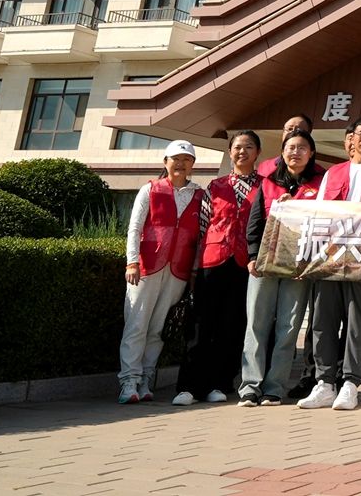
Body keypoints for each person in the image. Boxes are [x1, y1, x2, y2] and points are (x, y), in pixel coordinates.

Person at [299, 117, 361, 411]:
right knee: (323, 319)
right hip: (330, 257)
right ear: (351, 138)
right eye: (360, 133)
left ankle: (350, 383)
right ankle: (324, 383)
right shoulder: (333, 173)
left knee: (358, 321)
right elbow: (318, 213)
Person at [174, 130, 262, 406]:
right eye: (237, 147)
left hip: (245, 263)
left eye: (248, 147)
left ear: (258, 153)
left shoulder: (266, 186)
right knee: (201, 324)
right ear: (230, 152)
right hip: (212, 260)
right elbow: (202, 227)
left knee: (232, 325)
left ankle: (219, 382)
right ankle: (188, 386)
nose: (242, 152)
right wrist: (194, 268)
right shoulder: (215, 186)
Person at [239, 131, 324, 406]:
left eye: (302, 148)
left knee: (288, 327)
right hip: (265, 263)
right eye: (290, 147)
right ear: (282, 152)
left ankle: (275, 387)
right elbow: (254, 224)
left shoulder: (321, 184)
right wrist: (253, 256)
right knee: (257, 324)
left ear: (311, 154)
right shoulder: (268, 182)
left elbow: (325, 224)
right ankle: (250, 386)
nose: (295, 152)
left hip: (299, 266)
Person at [119, 140, 208, 405]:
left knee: (157, 328)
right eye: (175, 158)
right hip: (147, 267)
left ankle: (146, 379)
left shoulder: (200, 195)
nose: (180, 163)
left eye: (186, 159)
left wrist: (194, 271)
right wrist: (132, 262)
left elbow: (201, 236)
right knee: (136, 325)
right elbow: (135, 228)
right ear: (165, 162)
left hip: (178, 270)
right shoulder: (150, 189)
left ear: (193, 165)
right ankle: (128, 381)